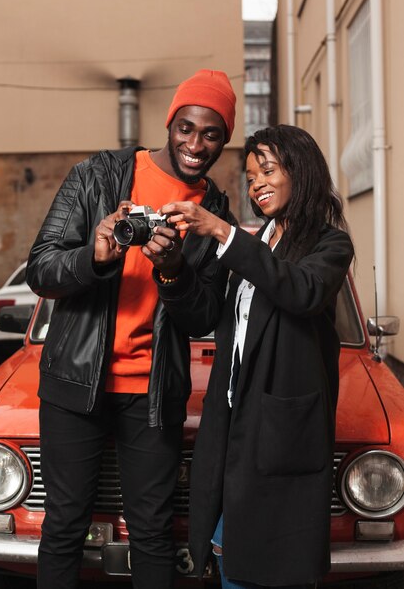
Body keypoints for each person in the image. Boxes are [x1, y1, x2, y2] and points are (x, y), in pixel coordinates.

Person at [26, 69, 237, 589]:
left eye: (211, 134)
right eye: (186, 127)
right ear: (170, 123)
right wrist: (95, 257)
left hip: (153, 392)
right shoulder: (98, 175)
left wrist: (173, 272)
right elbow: (41, 269)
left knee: (152, 532)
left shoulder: (213, 212)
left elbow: (203, 316)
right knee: (65, 526)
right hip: (75, 384)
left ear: (224, 139)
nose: (195, 144)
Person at [161, 125, 355, 588]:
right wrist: (172, 269)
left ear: (302, 172)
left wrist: (224, 233)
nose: (256, 184)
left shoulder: (330, 245)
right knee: (229, 557)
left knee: (272, 567)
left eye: (267, 170)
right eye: (250, 177)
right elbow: (215, 317)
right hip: (232, 422)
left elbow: (300, 291)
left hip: (281, 431)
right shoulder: (260, 238)